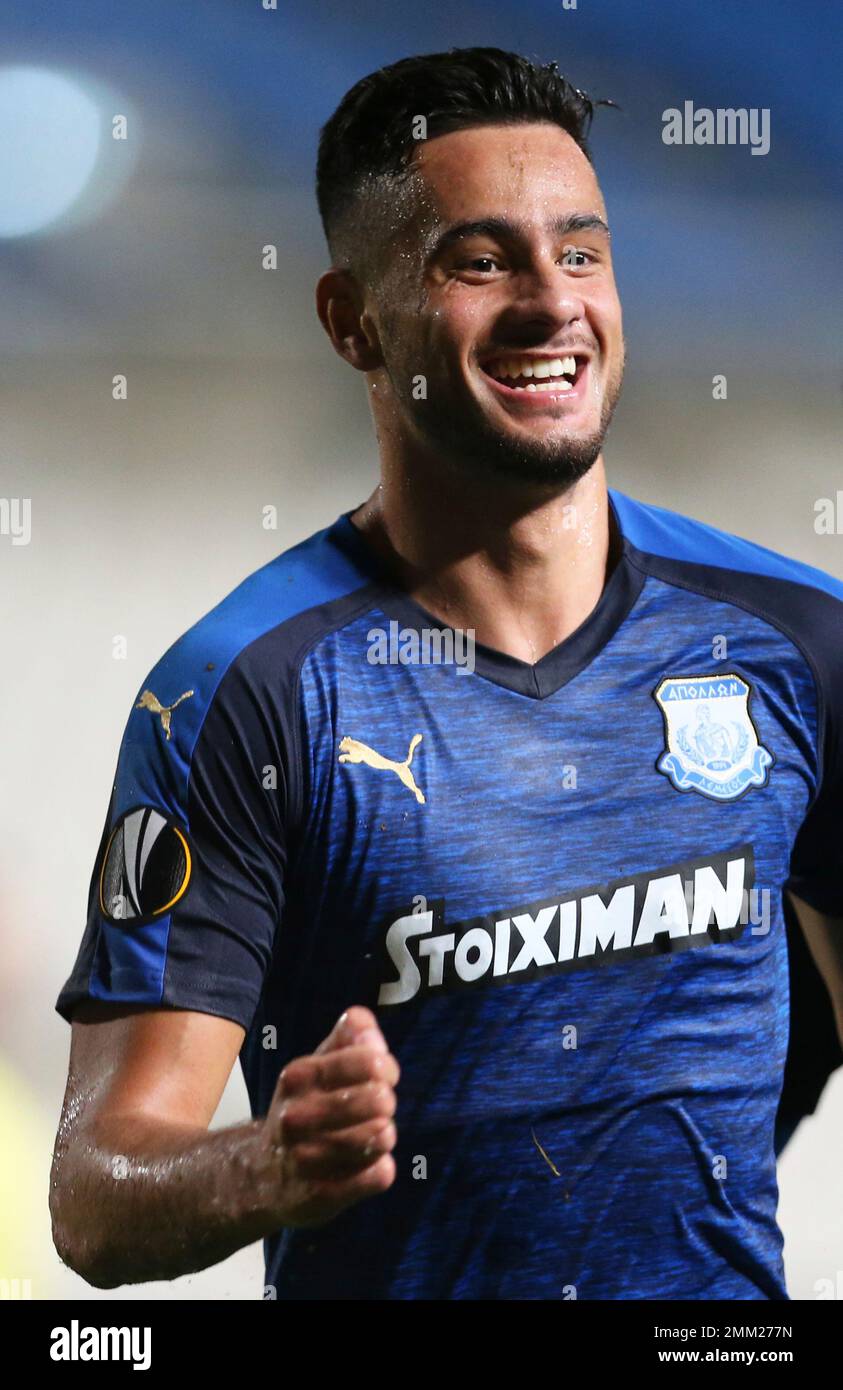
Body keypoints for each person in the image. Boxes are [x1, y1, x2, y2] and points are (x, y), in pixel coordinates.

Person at [51, 47, 843, 1300]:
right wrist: (266, 1166)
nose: (552, 302)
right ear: (351, 320)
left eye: (581, 253)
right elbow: (97, 1195)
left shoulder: (801, 645)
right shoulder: (244, 696)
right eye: (481, 262)